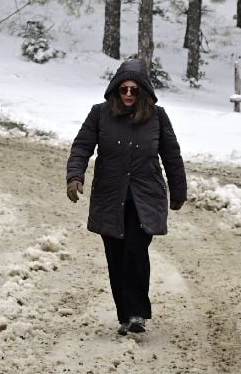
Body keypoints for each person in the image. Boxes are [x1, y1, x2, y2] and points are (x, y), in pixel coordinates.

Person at [65, 57, 187, 336]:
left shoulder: (158, 116)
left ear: (143, 90)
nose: (129, 94)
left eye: (134, 89)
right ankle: (125, 315)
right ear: (116, 89)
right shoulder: (100, 114)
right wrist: (75, 177)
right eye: (124, 89)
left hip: (145, 199)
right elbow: (81, 147)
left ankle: (137, 314)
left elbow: (172, 155)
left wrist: (179, 190)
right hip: (110, 198)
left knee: (135, 250)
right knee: (116, 257)